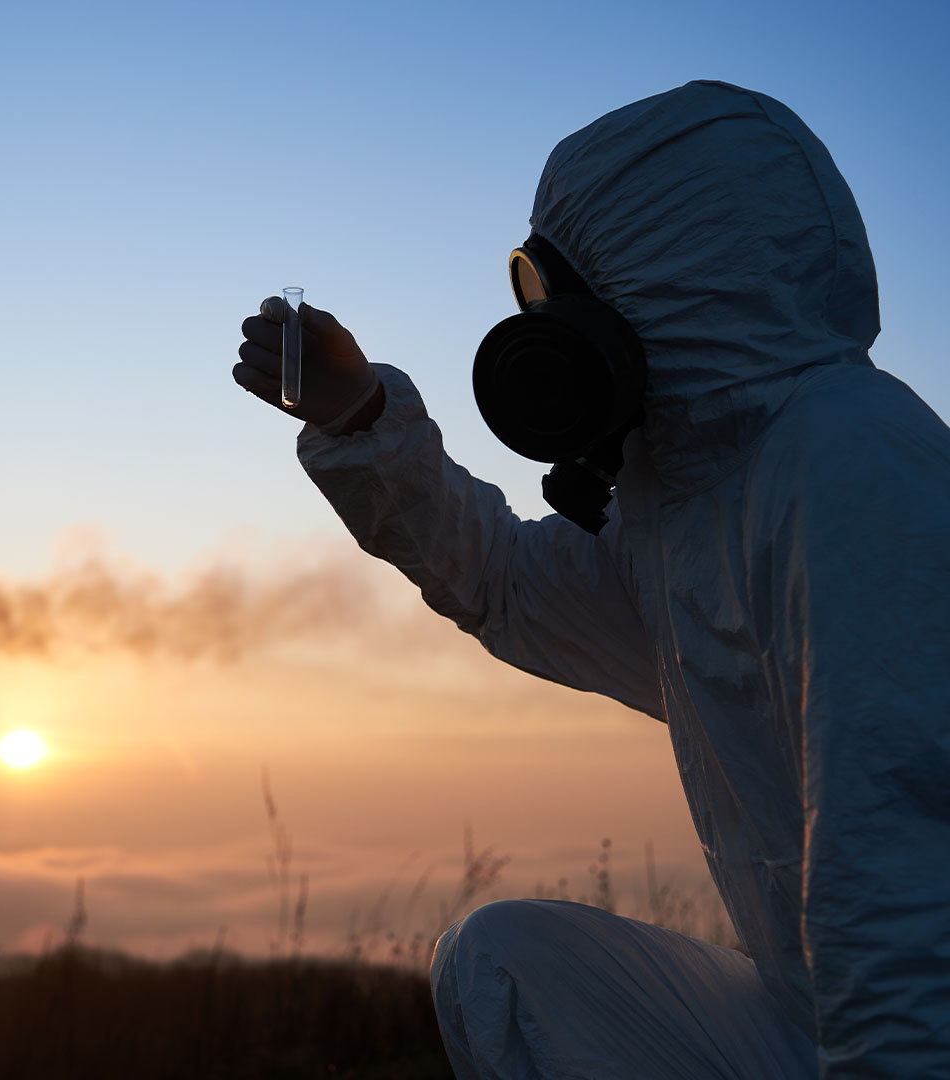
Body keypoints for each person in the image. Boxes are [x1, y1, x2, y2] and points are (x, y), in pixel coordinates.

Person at [235, 80, 950, 1079]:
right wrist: (362, 420)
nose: (543, 333)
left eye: (554, 299)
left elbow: (907, 886)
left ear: (662, 293)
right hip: (816, 1018)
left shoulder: (850, 464)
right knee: (505, 970)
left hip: (913, 1030)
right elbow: (509, 586)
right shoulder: (688, 504)